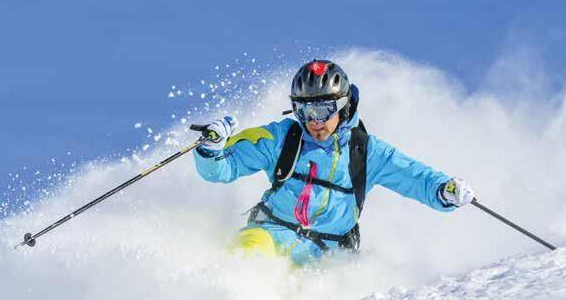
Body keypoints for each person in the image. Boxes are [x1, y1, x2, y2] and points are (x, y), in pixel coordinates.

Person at [193, 60, 474, 266]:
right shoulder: (282, 138)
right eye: (304, 111)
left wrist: (443, 190)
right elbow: (223, 168)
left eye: (323, 110)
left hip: (326, 254)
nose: (314, 121)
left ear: (343, 105)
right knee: (247, 256)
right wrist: (211, 149)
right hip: (270, 235)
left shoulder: (364, 151)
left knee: (316, 297)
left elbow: (413, 176)